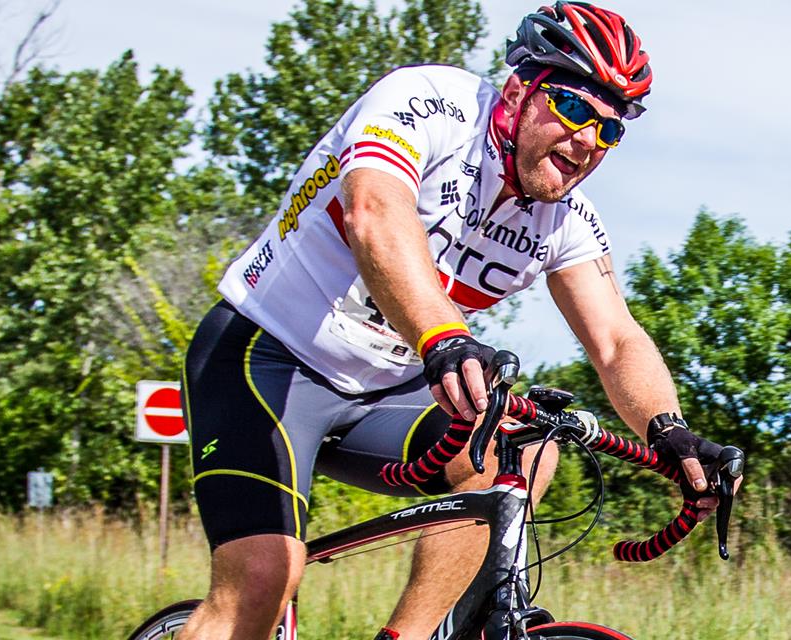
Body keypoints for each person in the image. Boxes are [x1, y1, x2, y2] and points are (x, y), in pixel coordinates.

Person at [179, 4, 726, 639]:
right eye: (575, 110)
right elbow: (374, 212)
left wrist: (670, 429)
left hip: (383, 391)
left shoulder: (565, 219)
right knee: (264, 577)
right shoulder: (430, 104)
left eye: (608, 131)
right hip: (266, 359)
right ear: (519, 91)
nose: (586, 142)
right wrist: (445, 337)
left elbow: (616, 340)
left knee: (521, 450)